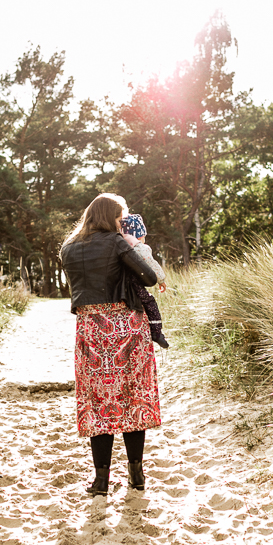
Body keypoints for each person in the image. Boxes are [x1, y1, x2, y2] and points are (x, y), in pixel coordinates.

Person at [60, 193, 161, 497]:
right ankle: (136, 474)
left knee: (97, 401)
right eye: (120, 218)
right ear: (110, 217)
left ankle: (101, 480)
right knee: (133, 397)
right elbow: (150, 277)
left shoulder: (68, 248)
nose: (122, 224)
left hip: (90, 328)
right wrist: (133, 247)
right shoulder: (117, 242)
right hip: (126, 327)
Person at [119, 214, 170, 349]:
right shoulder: (140, 247)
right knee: (149, 302)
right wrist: (161, 280)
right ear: (140, 235)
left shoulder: (116, 244)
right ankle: (157, 332)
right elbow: (151, 264)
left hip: (119, 285)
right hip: (134, 283)